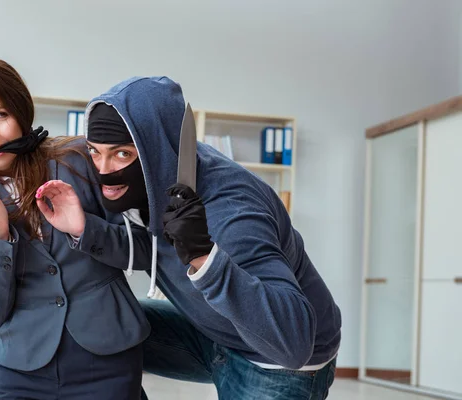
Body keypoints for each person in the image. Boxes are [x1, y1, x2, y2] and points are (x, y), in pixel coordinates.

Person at [66, 76, 342, 399]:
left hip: (277, 360)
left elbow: (294, 343)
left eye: (122, 155)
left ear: (152, 149)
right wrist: (83, 229)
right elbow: (155, 249)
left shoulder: (232, 214)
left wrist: (203, 255)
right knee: (99, 321)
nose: (104, 170)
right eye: (95, 152)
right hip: (217, 330)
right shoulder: (164, 175)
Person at [0, 59, 152, 400]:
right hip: (22, 367)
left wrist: (84, 228)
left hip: (107, 356)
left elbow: (144, 250)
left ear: (22, 113)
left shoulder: (78, 159)